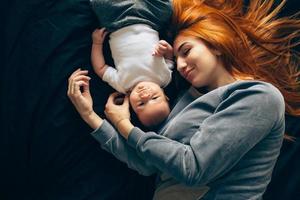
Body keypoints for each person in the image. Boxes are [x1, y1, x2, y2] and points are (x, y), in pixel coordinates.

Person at [68, 0, 300, 199]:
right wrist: (90, 115)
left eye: (186, 51)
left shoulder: (260, 97)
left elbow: (192, 168)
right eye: (176, 58)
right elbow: (148, 162)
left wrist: (123, 125)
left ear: (216, 44)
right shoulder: (187, 99)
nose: (179, 65)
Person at [89, 0, 174, 127]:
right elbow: (170, 58)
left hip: (117, 21)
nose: (145, 95)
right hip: (148, 19)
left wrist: (97, 44)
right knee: (167, 8)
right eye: (154, 98)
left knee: (99, 5)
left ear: (131, 107)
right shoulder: (164, 78)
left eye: (141, 104)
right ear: (165, 96)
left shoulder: (123, 85)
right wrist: (166, 49)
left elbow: (100, 68)